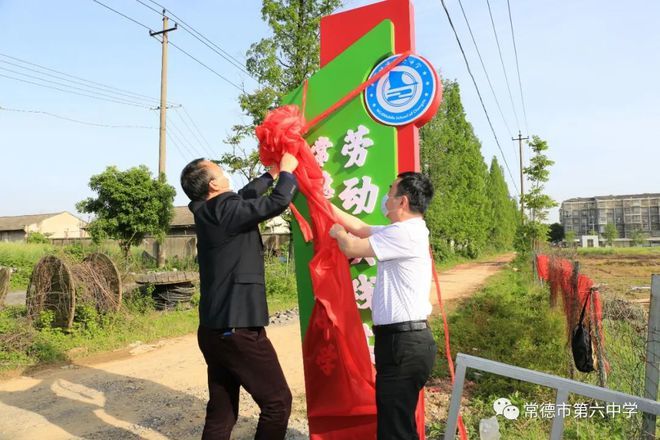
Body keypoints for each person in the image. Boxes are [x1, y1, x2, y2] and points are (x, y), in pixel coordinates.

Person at [180, 154, 299, 440]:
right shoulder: (225, 210)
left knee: (222, 412)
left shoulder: (208, 210)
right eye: (220, 171)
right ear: (213, 184)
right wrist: (287, 173)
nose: (226, 174)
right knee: (277, 403)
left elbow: (244, 196)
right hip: (238, 329)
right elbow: (277, 202)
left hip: (213, 330)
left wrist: (269, 175)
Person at [328, 171, 437, 440]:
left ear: (402, 201)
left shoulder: (406, 233)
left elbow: (352, 245)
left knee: (394, 430)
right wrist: (318, 200)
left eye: (390, 192)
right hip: (400, 342)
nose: (386, 198)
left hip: (405, 343)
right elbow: (362, 228)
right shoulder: (401, 231)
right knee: (397, 423)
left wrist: (338, 233)